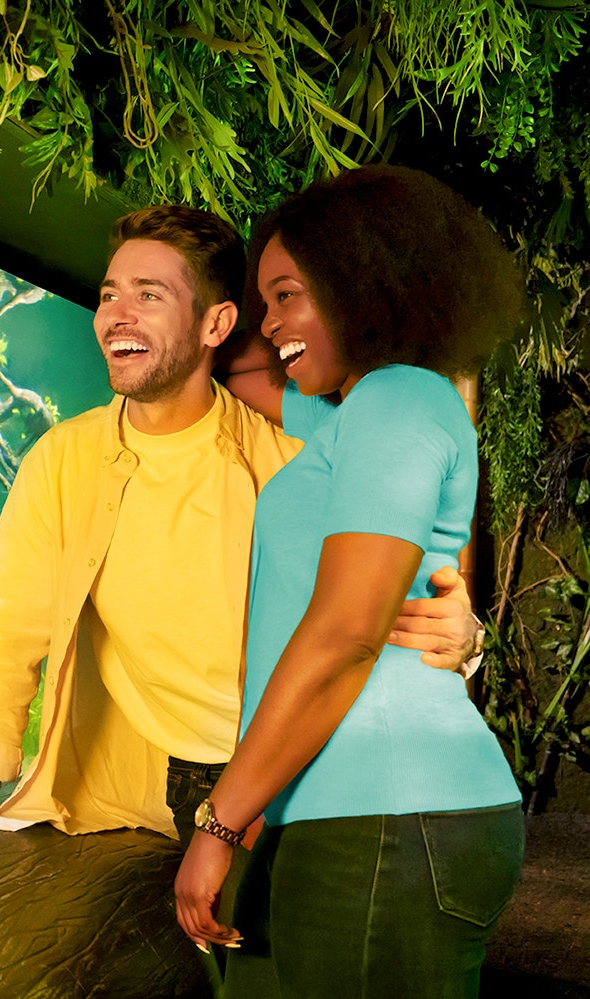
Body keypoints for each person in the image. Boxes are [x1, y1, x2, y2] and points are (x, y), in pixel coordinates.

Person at [0, 204, 478, 843]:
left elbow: (393, 602)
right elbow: (9, 624)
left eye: (149, 294)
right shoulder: (62, 460)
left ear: (216, 323)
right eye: (109, 294)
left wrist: (462, 633)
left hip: (320, 766)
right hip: (183, 781)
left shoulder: (290, 459)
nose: (116, 315)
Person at [173, 166, 524, 997]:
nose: (272, 323)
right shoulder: (353, 411)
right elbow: (250, 374)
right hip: (325, 808)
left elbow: (344, 635)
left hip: (391, 811)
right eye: (263, 300)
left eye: (289, 294)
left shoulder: (400, 400)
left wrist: (220, 819)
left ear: (364, 282)